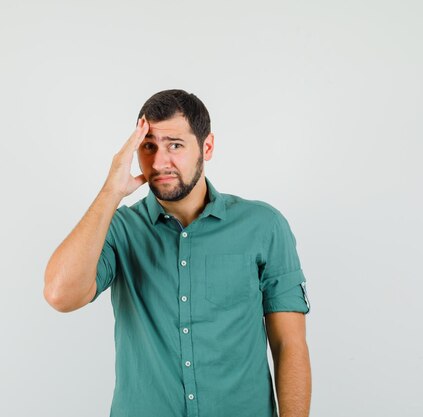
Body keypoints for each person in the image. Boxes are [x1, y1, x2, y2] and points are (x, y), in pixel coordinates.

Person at [44, 89, 311, 417]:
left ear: (207, 147)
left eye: (175, 145)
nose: (159, 162)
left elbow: (289, 347)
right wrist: (111, 191)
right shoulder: (119, 228)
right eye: (148, 146)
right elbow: (60, 295)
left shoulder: (263, 226)